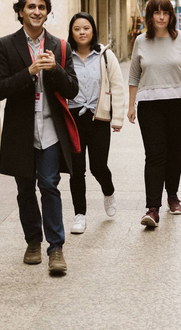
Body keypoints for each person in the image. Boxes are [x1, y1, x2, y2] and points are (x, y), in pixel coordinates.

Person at [0, 0, 79, 275]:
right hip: (21, 131)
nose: (37, 12)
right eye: (31, 7)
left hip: (51, 130)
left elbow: (73, 89)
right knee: (25, 189)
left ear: (47, 12)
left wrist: (54, 70)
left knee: (50, 185)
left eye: (42, 7)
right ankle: (33, 241)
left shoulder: (60, 46)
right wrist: (29, 72)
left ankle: (56, 248)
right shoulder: (5, 45)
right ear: (21, 11)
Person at [128, 0, 181, 227]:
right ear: (150, 16)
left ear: (171, 16)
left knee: (174, 152)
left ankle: (172, 196)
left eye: (165, 12)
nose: (161, 17)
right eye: (156, 12)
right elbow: (134, 75)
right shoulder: (141, 41)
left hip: (179, 103)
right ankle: (152, 208)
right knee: (154, 155)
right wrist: (131, 105)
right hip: (149, 105)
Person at [66, 12, 125, 235]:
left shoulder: (105, 55)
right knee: (77, 169)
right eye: (77, 29)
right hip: (74, 119)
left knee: (98, 166)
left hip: (99, 118)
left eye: (86, 28)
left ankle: (108, 191)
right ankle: (80, 214)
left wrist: (117, 118)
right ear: (72, 32)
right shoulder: (66, 57)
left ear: (93, 31)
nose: (82, 32)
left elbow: (117, 87)